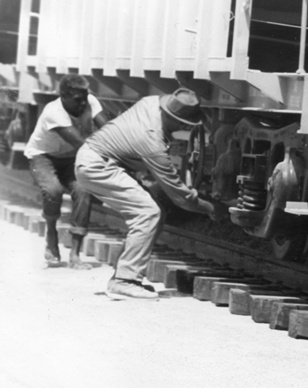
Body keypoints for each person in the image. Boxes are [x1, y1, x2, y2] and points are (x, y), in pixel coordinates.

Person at [75, 88, 221, 300]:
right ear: (171, 117)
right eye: (183, 123)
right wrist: (210, 208)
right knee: (148, 212)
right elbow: (180, 198)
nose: (185, 127)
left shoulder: (151, 102)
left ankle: (122, 276)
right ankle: (124, 281)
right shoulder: (152, 141)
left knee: (153, 210)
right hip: (97, 166)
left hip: (96, 159)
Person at [23, 74, 109, 268]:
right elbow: (81, 143)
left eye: (85, 98)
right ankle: (51, 233)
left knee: (84, 190)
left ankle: (75, 255)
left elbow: (109, 129)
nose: (83, 104)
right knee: (53, 190)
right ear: (63, 96)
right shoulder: (53, 112)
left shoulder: (90, 102)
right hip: (43, 156)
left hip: (70, 157)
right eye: (77, 100)